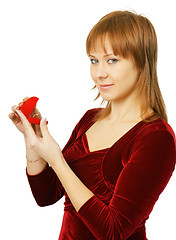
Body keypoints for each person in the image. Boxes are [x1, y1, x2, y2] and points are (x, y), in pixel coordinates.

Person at [9, 10, 176, 240]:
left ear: (141, 62)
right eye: (94, 60)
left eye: (112, 60)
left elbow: (113, 232)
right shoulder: (90, 119)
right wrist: (33, 139)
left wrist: (57, 160)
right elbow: (46, 195)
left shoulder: (156, 137)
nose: (99, 73)